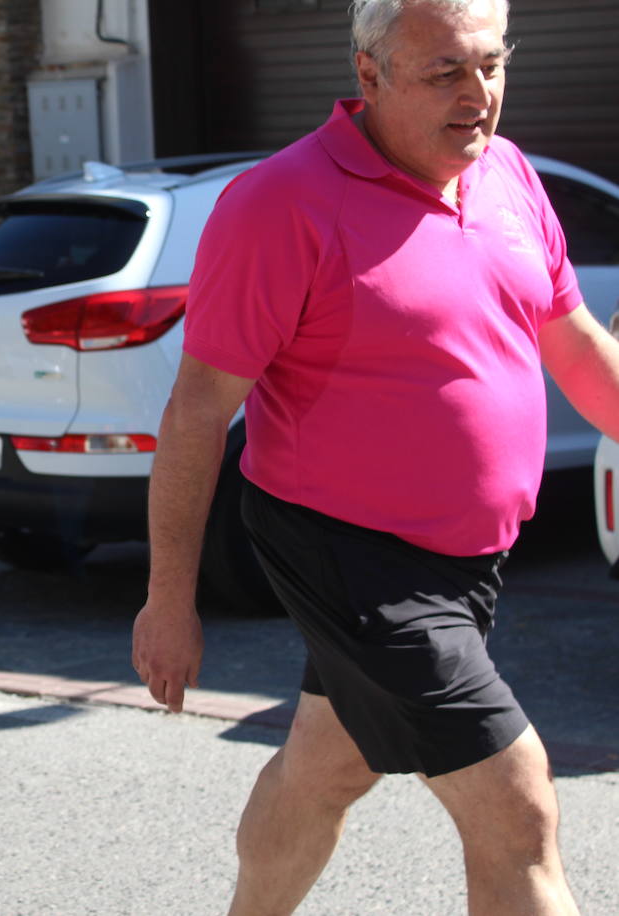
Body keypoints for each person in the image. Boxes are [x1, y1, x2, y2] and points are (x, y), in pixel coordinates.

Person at [131, 0, 619, 912]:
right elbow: (197, 414)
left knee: (326, 765)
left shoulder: (508, 175)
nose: (478, 95)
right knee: (515, 801)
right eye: (445, 73)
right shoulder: (282, 204)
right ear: (370, 74)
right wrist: (169, 599)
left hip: (471, 558)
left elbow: (578, 344)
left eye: (492, 65)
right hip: (347, 551)